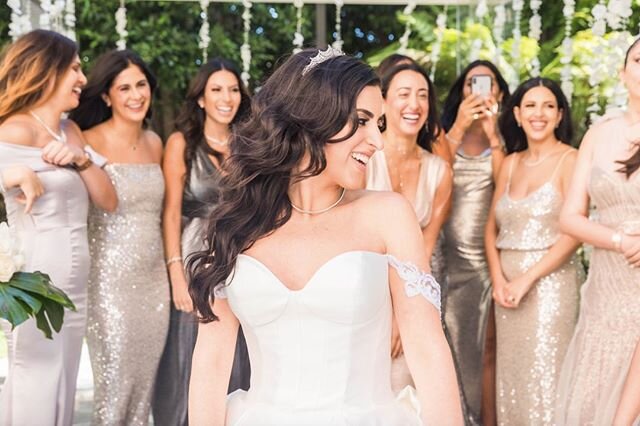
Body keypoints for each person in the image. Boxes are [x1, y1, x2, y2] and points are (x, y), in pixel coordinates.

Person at [187, 48, 463, 425]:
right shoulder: (236, 223)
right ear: (313, 117)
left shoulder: (388, 215)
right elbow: (211, 361)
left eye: (378, 123)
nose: (377, 141)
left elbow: (428, 352)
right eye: (362, 120)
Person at [0, 30, 117, 426]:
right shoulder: (14, 129)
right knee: (35, 381)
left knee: (64, 379)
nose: (83, 79)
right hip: (34, 282)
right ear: (47, 71)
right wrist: (9, 174)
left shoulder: (70, 131)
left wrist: (80, 159)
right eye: (75, 69)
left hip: (75, 284)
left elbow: (109, 200)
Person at [69, 49, 170, 425]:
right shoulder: (84, 139)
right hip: (108, 282)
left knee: (143, 393)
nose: (136, 95)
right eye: (124, 88)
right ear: (107, 96)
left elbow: (164, 215)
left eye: (141, 85)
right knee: (114, 391)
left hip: (155, 283)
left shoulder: (155, 142)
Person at [153, 58, 251, 426]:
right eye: (217, 90)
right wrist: (177, 275)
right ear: (200, 98)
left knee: (239, 349)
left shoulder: (251, 143)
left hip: (242, 254)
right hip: (196, 254)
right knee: (193, 350)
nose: (227, 98)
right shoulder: (182, 143)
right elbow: (170, 213)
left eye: (233, 90)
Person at [484, 77, 582, 424]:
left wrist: (526, 279)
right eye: (530, 106)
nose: (538, 114)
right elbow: (491, 227)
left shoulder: (571, 160)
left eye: (548, 106)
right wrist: (498, 280)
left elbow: (574, 233)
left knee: (547, 375)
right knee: (513, 379)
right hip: (506, 292)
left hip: (551, 287)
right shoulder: (510, 163)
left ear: (559, 115)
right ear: (517, 114)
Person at [555, 38, 640, 425]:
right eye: (638, 60)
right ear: (622, 73)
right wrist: (619, 240)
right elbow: (570, 218)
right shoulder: (599, 134)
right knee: (595, 393)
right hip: (606, 285)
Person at [366, 61, 453, 392]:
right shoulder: (362, 159)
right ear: (383, 101)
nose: (414, 104)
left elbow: (424, 253)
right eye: (404, 94)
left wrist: (404, 317)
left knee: (405, 388)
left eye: (422, 95)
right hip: (362, 293)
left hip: (412, 299)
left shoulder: (439, 172)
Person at [440, 59, 510, 425]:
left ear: (499, 92)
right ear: (462, 91)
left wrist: (493, 133)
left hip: (486, 259)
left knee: (487, 348)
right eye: (472, 83)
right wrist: (461, 124)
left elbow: (505, 187)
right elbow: (437, 172)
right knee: (448, 342)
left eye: (487, 83)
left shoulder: (509, 138)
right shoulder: (444, 132)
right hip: (446, 256)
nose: (479, 90)